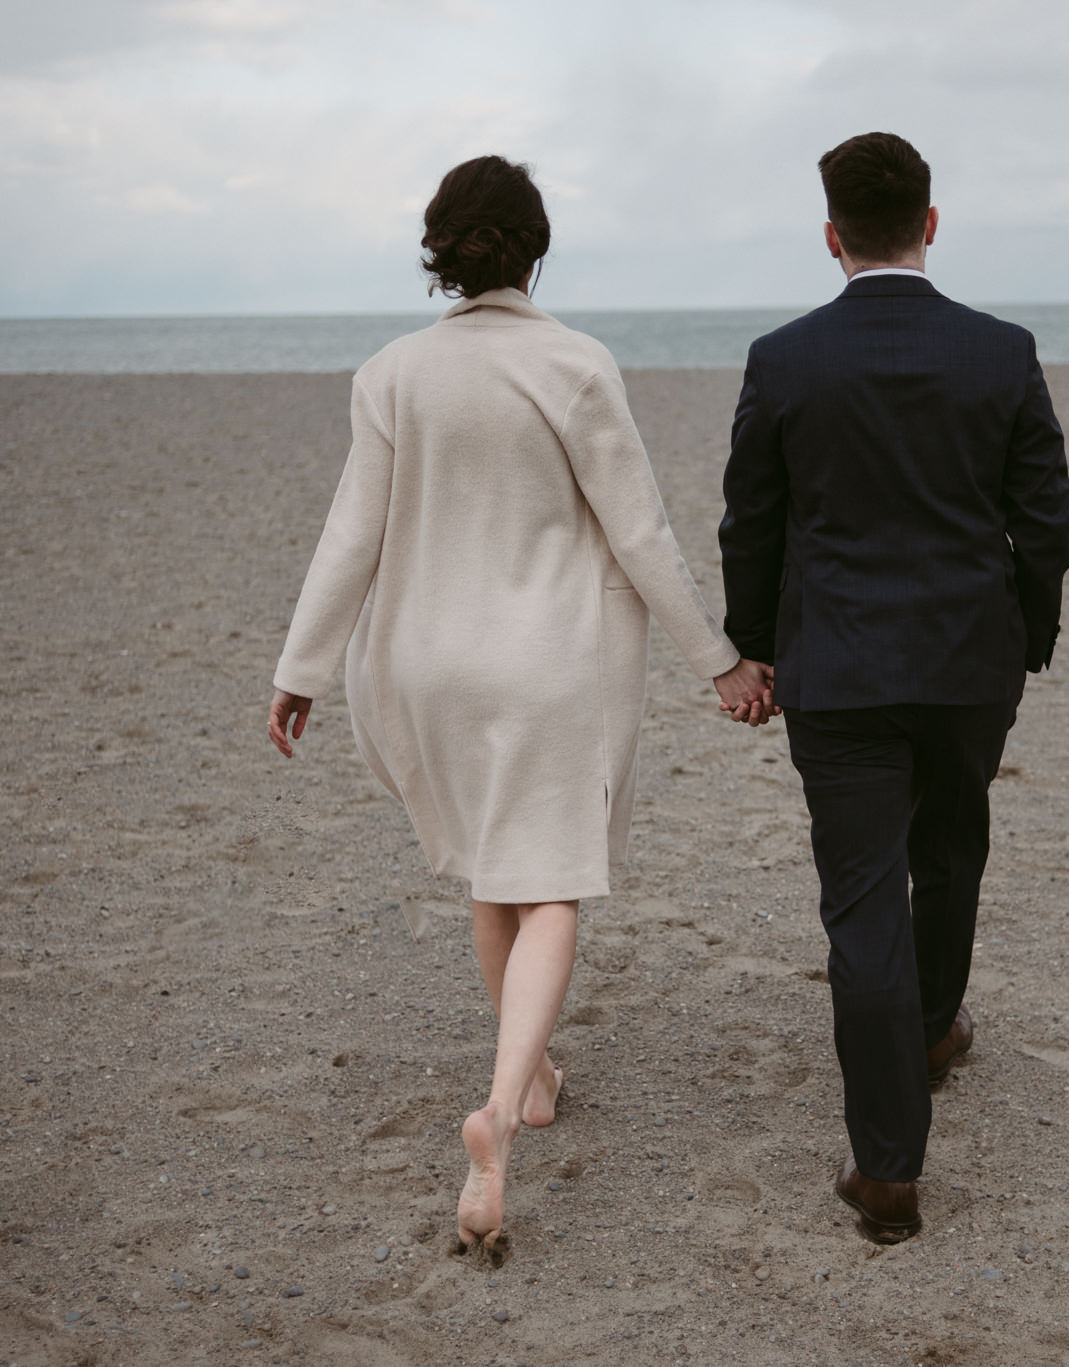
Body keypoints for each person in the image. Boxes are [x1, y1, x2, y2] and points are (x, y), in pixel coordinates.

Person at [267, 155, 774, 1257]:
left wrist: (298, 667)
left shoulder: (390, 372)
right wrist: (718, 661)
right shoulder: (574, 364)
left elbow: (350, 532)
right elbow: (638, 532)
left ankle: (535, 1075)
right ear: (534, 249)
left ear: (439, 251)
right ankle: (497, 1112)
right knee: (552, 883)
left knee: (498, 874)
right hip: (546, 660)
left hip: (423, 661)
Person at [718, 132, 1069, 1243]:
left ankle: (886, 1165)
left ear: (831, 237)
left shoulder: (783, 359)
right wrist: (1029, 640)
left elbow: (751, 521)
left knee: (861, 895)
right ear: (930, 223)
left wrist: (752, 642)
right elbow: (1044, 520)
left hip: (839, 666)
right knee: (952, 846)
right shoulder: (999, 351)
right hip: (968, 657)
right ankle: (924, 1031)